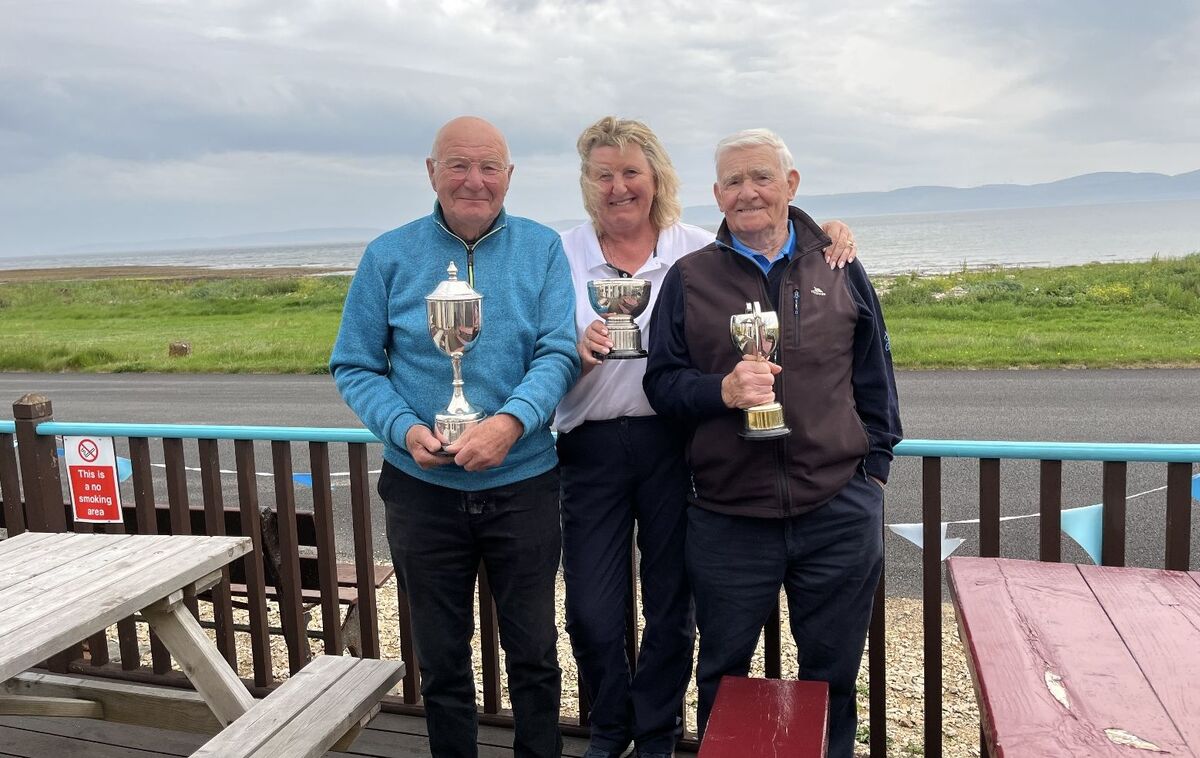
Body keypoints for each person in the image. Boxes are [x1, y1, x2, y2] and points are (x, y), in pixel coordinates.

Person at [557, 117, 860, 758]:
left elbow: (774, 245)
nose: (619, 187)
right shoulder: (559, 253)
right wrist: (569, 350)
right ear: (587, 183)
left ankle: (660, 735)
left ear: (656, 178)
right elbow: (536, 345)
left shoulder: (694, 250)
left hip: (674, 447)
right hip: (591, 446)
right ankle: (611, 728)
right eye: (604, 174)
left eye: (631, 172)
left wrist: (829, 234)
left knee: (671, 607)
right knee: (591, 610)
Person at [641, 128, 901, 758]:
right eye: (733, 181)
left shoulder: (838, 263)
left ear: (791, 184)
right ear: (716, 195)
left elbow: (875, 373)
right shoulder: (690, 277)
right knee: (724, 675)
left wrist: (874, 471)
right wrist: (722, 392)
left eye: (761, 176)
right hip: (729, 517)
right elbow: (662, 385)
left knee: (834, 679)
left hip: (837, 509)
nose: (748, 191)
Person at [330, 115, 580, 758]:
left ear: (509, 175)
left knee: (533, 655)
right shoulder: (389, 253)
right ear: (432, 172)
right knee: (441, 663)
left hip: (523, 482)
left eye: (489, 166)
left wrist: (509, 423)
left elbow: (557, 352)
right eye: (459, 165)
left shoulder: (542, 247)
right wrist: (403, 428)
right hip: (420, 490)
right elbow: (354, 363)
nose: (475, 180)